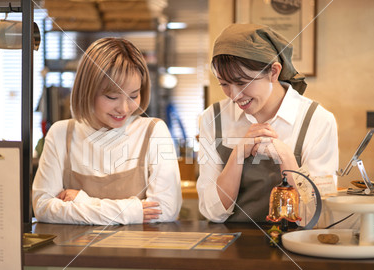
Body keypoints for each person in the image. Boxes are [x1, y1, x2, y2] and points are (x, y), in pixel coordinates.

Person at [197, 24, 338, 223]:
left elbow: (316, 215)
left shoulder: (317, 120)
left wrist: (287, 158)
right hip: (232, 248)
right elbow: (211, 212)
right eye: (225, 84)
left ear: (273, 71)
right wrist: (237, 154)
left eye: (242, 82)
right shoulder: (213, 118)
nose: (234, 96)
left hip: (294, 246)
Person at [32, 37, 182, 225]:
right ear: (87, 90)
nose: (124, 109)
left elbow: (165, 210)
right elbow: (43, 208)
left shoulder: (153, 131)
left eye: (133, 95)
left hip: (139, 252)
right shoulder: (61, 133)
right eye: (112, 97)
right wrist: (134, 211)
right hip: (74, 254)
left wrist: (82, 201)